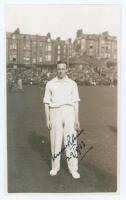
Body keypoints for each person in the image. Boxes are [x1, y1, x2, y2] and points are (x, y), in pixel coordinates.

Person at [43, 61, 81, 179]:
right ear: (56, 69)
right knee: (55, 141)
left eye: (63, 68)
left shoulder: (72, 84)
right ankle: (55, 167)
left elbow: (75, 102)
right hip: (55, 112)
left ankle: (73, 169)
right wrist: (47, 119)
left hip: (69, 111)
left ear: (66, 70)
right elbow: (46, 102)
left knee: (70, 141)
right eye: (59, 68)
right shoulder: (50, 84)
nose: (61, 71)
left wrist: (76, 118)